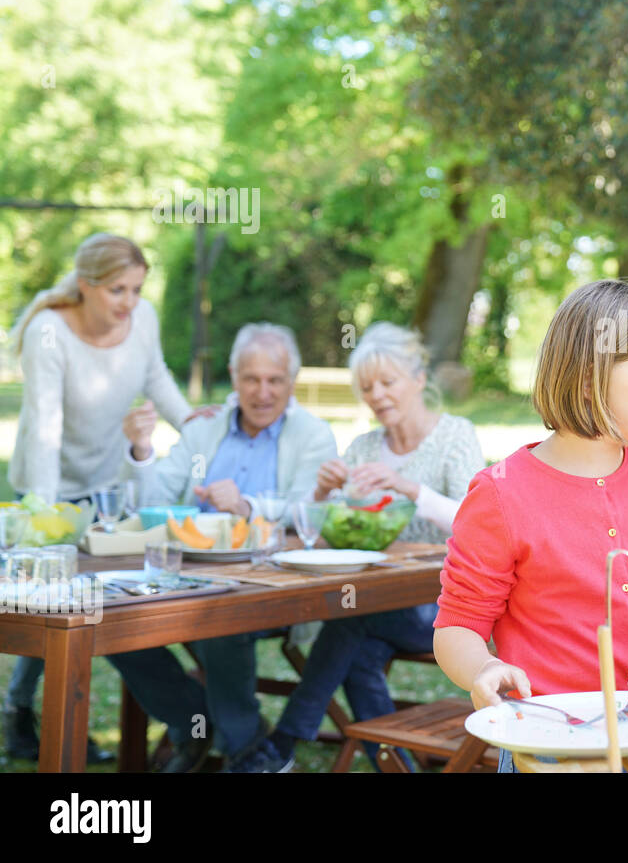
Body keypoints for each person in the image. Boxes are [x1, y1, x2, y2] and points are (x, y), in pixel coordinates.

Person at [433, 280, 628, 773]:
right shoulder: (501, 494)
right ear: (593, 376)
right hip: (548, 745)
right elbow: (456, 627)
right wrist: (483, 669)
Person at [231, 322, 484, 772]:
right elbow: (332, 533)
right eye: (367, 387)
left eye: (388, 382)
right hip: (379, 601)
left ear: (419, 380)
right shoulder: (364, 447)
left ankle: (283, 742)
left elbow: (477, 523)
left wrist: (410, 489)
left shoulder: (454, 436)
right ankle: (396, 764)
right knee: (358, 654)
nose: (378, 395)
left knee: (349, 625)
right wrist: (323, 495)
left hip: (448, 607)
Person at [3, 233, 206, 764]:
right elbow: (45, 426)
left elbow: (155, 375)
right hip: (47, 490)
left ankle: (20, 713)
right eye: (118, 290)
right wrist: (43, 516)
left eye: (137, 289)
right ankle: (20, 713)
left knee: (98, 601)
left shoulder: (142, 320)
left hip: (109, 486)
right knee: (50, 602)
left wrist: (191, 423)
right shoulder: (49, 332)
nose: (129, 303)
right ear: (87, 284)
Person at [108, 323, 337, 771]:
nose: (263, 392)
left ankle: (247, 749)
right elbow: (155, 502)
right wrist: (140, 451)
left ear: (291, 381)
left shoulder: (312, 434)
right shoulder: (204, 430)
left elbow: (312, 507)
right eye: (252, 379)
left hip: (274, 584)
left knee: (221, 615)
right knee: (113, 616)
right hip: (190, 571)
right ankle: (193, 718)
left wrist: (249, 506)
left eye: (275, 380)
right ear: (234, 377)